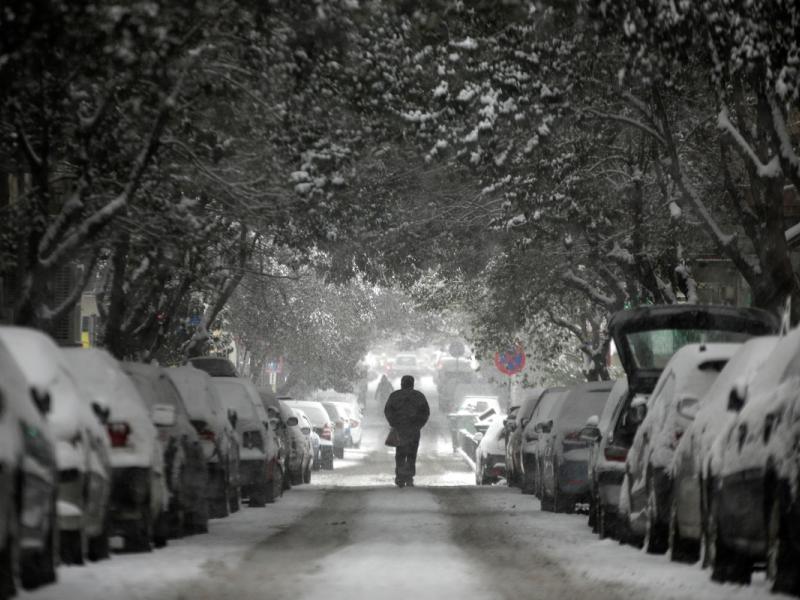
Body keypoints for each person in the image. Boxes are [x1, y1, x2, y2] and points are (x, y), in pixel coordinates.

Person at [384, 375, 430, 488]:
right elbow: (425, 413)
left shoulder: (395, 396)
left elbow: (387, 411)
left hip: (399, 430)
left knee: (400, 453)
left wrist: (394, 423)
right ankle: (409, 477)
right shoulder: (419, 396)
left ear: (402, 383)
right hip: (414, 431)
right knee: (411, 454)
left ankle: (400, 476)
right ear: (412, 383)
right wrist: (418, 425)